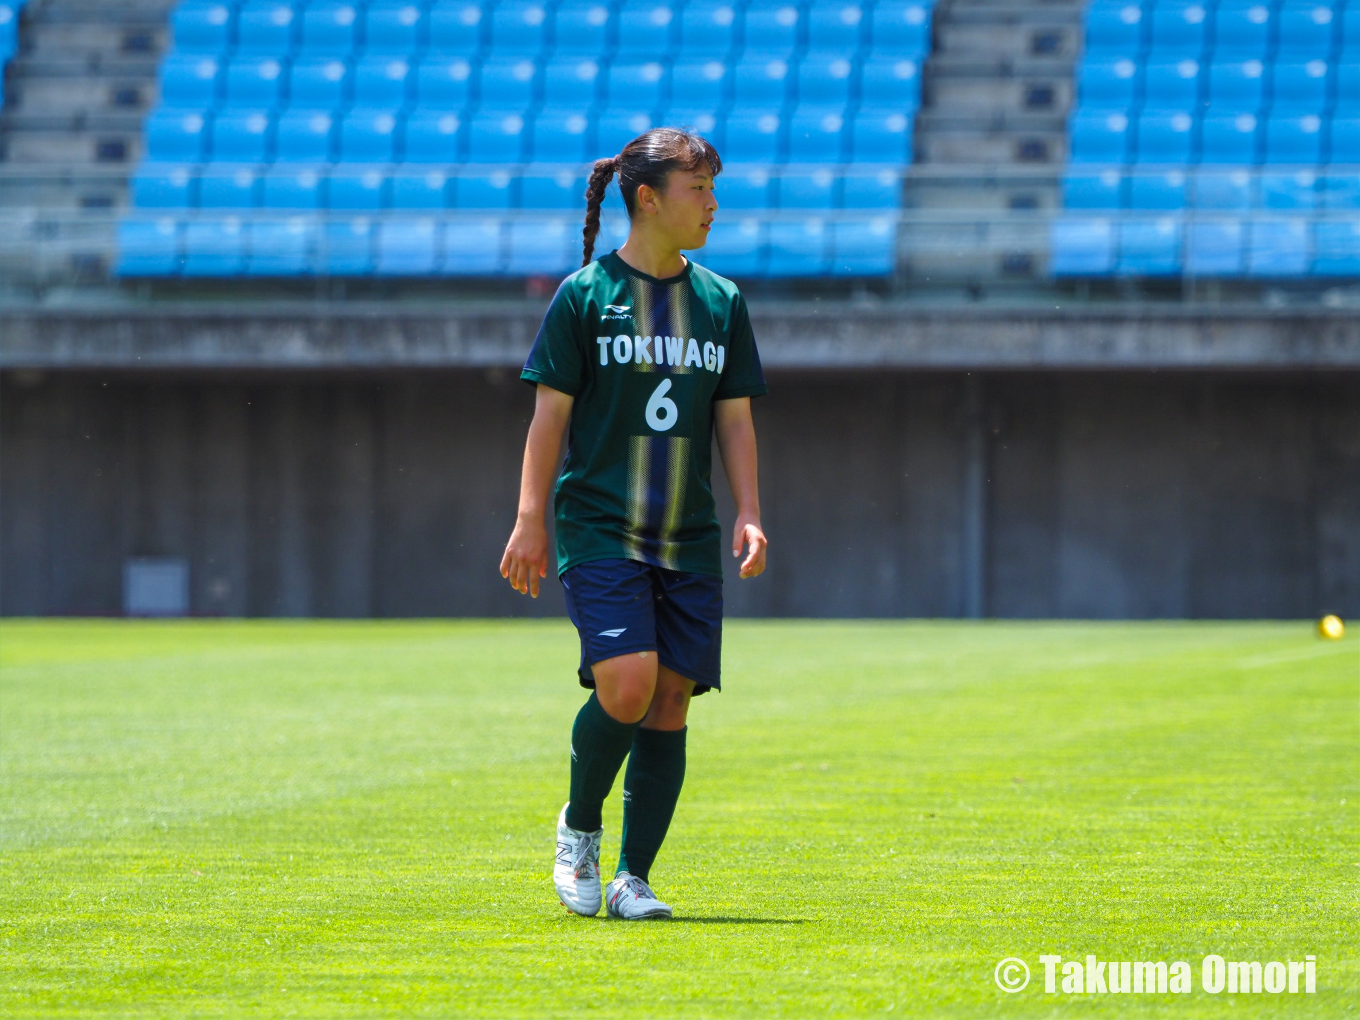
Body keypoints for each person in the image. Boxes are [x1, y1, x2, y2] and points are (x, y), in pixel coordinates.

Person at [499, 128, 768, 920]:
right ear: (648, 199)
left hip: (688, 532)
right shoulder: (585, 295)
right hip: (600, 525)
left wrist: (751, 511)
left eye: (715, 189)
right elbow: (549, 419)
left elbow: (736, 421)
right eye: (700, 190)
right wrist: (528, 519)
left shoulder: (722, 302)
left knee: (671, 702)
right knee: (626, 685)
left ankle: (632, 878)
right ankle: (579, 828)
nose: (714, 204)